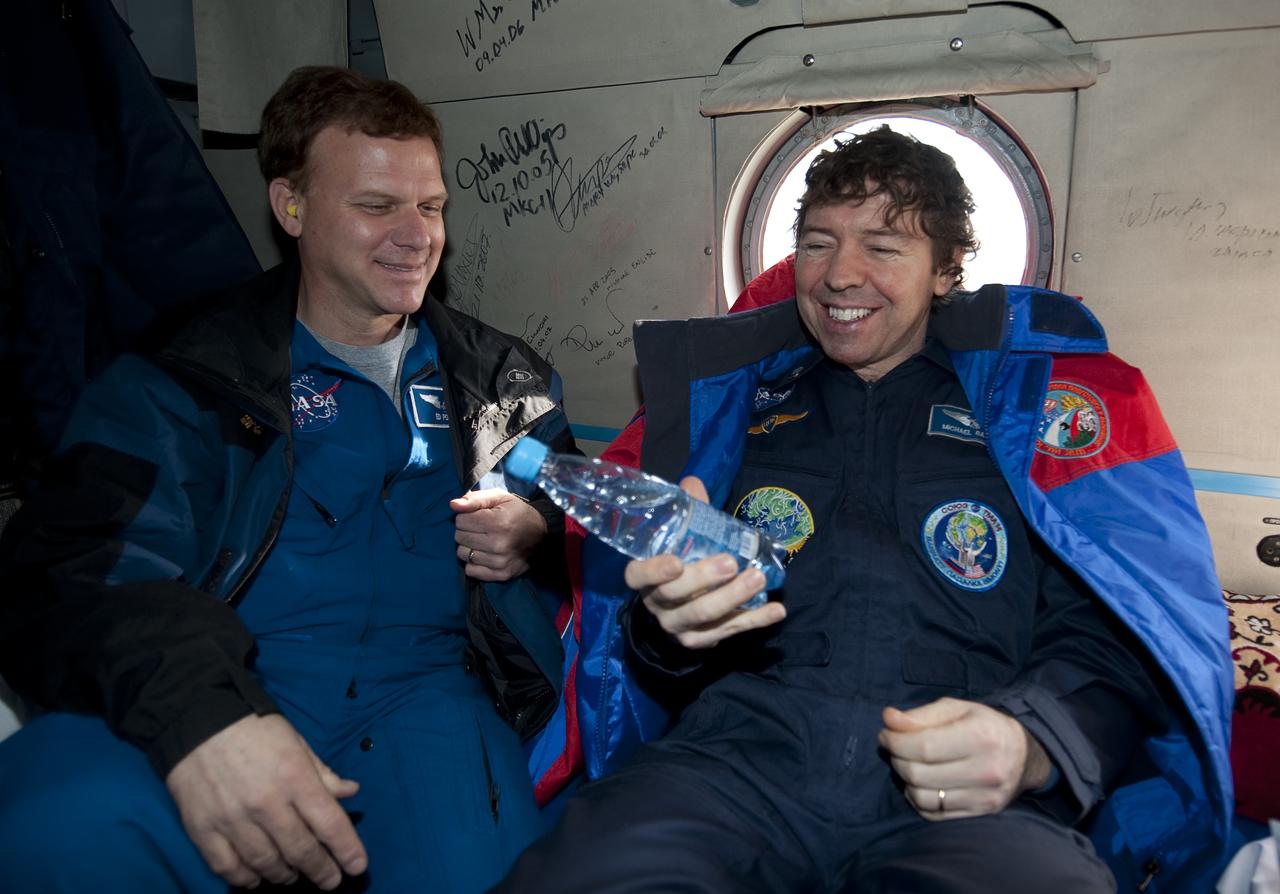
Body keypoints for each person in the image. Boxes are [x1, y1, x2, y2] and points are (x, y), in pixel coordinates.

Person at [496, 127, 1232, 892]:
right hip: (735, 770)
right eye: (818, 244)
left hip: (963, 795)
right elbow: (658, 655)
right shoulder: (738, 410)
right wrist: (670, 631)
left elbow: (1117, 639)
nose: (840, 275)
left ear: (946, 271)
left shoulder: (1029, 425)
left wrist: (1032, 743)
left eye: (883, 246)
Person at [0, 65, 579, 893]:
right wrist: (204, 717)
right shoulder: (190, 381)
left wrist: (539, 527)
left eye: (432, 206)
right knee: (48, 824)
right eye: (377, 206)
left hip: (430, 705)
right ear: (292, 208)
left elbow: (580, 497)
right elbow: (73, 570)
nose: (416, 235)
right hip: (239, 679)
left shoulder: (498, 379)